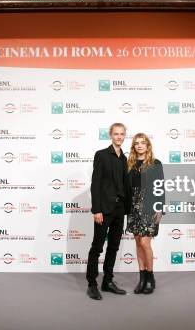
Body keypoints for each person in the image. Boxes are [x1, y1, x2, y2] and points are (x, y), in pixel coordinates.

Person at [86, 123, 132, 300]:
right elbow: (95, 183)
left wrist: (127, 209)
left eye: (122, 134)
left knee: (113, 247)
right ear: (110, 135)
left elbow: (124, 185)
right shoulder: (101, 155)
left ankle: (108, 281)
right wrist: (96, 209)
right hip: (104, 210)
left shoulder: (124, 158)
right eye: (116, 134)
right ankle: (92, 284)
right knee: (97, 247)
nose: (119, 137)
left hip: (120, 210)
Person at [126, 133, 165, 294]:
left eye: (143, 143)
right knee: (137, 242)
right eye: (137, 143)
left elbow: (160, 186)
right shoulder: (130, 164)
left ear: (148, 145)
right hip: (133, 207)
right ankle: (142, 278)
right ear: (134, 147)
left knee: (145, 243)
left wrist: (160, 207)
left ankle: (150, 277)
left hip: (150, 205)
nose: (140, 145)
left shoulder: (156, 163)